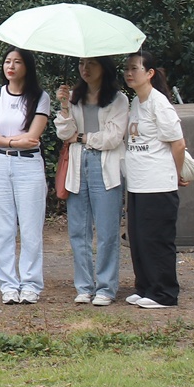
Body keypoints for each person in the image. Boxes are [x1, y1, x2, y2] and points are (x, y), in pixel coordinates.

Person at [55, 57, 129, 306]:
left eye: (91, 64)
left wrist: (83, 137)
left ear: (104, 68)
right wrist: (64, 106)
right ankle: (84, 286)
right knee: (78, 230)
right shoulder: (74, 96)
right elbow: (65, 134)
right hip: (78, 165)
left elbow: (113, 138)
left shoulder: (118, 99)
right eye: (81, 64)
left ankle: (106, 287)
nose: (85, 69)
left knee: (108, 231)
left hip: (106, 166)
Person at [0, 47, 51, 304]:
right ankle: (8, 285)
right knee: (2, 228)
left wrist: (3, 140)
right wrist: (12, 142)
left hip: (29, 166)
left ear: (27, 67)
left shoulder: (40, 97)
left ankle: (31, 284)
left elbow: (33, 138)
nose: (10, 66)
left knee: (31, 227)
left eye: (17, 62)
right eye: (7, 61)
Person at [121, 52, 188, 309]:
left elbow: (178, 143)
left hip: (158, 182)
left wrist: (178, 173)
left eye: (135, 68)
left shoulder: (160, 103)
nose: (129, 73)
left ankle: (164, 293)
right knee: (138, 238)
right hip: (137, 183)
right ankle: (146, 286)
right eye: (127, 69)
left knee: (157, 238)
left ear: (149, 73)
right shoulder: (136, 102)